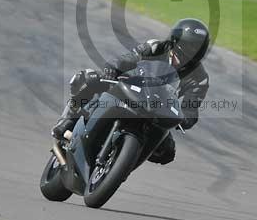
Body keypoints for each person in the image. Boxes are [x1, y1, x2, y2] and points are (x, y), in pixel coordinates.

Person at [52, 18, 211, 165]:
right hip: (129, 87)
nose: (192, 51)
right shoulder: (156, 47)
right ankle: (68, 119)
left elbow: (192, 105)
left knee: (167, 152)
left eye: (197, 47)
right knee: (89, 78)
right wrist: (115, 67)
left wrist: (186, 118)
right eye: (190, 45)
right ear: (176, 40)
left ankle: (124, 162)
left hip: (158, 109)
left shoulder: (200, 78)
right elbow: (130, 57)